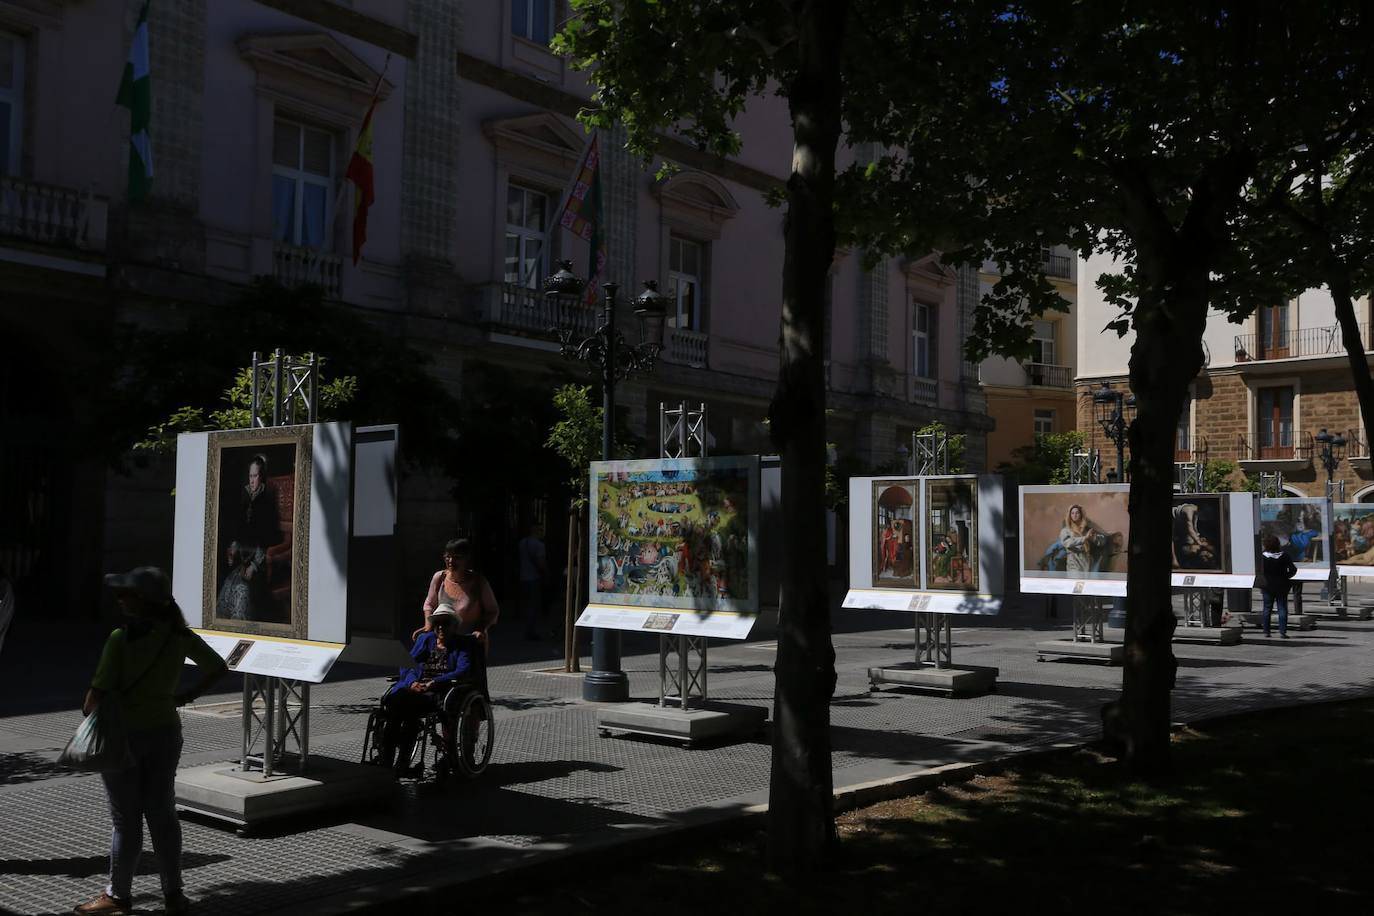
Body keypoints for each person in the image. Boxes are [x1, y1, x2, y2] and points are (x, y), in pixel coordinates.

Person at [76, 567, 228, 916]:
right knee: (162, 814)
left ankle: (118, 897)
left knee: (126, 820)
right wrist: (185, 696)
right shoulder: (178, 635)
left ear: (141, 601)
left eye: (125, 593)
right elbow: (218, 667)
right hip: (165, 733)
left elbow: (92, 702)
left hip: (123, 738)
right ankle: (174, 894)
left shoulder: (121, 638)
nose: (120, 599)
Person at [377, 604, 475, 775]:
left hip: (437, 692)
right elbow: (407, 662)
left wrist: (435, 682)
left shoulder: (462, 645)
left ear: (454, 626)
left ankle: (401, 762)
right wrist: (412, 682)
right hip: (413, 688)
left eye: (445, 623)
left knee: (406, 710)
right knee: (396, 709)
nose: (440, 627)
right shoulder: (426, 639)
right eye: (437, 623)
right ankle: (387, 760)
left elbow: (462, 670)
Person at [216, 454, 282, 622]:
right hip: (244, 560)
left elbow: (270, 537)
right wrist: (234, 547)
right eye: (250, 476)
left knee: (242, 591)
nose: (252, 481)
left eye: (255, 476)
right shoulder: (245, 496)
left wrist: (254, 566)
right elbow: (241, 531)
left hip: (262, 561)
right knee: (228, 587)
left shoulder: (267, 499)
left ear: (262, 476)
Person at [416, 538, 500, 647]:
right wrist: (428, 626)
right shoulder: (439, 578)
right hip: (442, 641)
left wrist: (481, 628)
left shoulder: (479, 582)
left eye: (457, 557)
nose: (450, 561)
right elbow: (429, 604)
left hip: (470, 642)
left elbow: (492, 611)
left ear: (467, 558)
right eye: (447, 557)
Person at [1259, 534, 1298, 638]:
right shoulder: (1284, 556)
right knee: (1282, 608)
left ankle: (1266, 631)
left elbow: (1259, 572)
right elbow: (1293, 570)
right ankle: (1282, 631)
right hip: (1282, 585)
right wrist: (1286, 576)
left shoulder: (1262, 557)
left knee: (1267, 608)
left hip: (1267, 586)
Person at [516, 523, 548, 640]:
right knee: (533, 605)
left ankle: (526, 627)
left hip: (523, 577)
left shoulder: (522, 543)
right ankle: (530, 631)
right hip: (534, 577)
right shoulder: (539, 545)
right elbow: (541, 563)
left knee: (526, 603)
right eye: (541, 530)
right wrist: (545, 573)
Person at [1060, 504, 1106, 574]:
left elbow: (1101, 541)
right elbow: (1067, 543)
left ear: (1081, 514)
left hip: (1086, 561)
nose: (1075, 515)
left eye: (1077, 513)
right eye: (1072, 513)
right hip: (1074, 561)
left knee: (1085, 582)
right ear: (1070, 515)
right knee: (1076, 582)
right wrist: (1085, 538)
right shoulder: (1066, 530)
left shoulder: (1086, 529)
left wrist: (1094, 538)